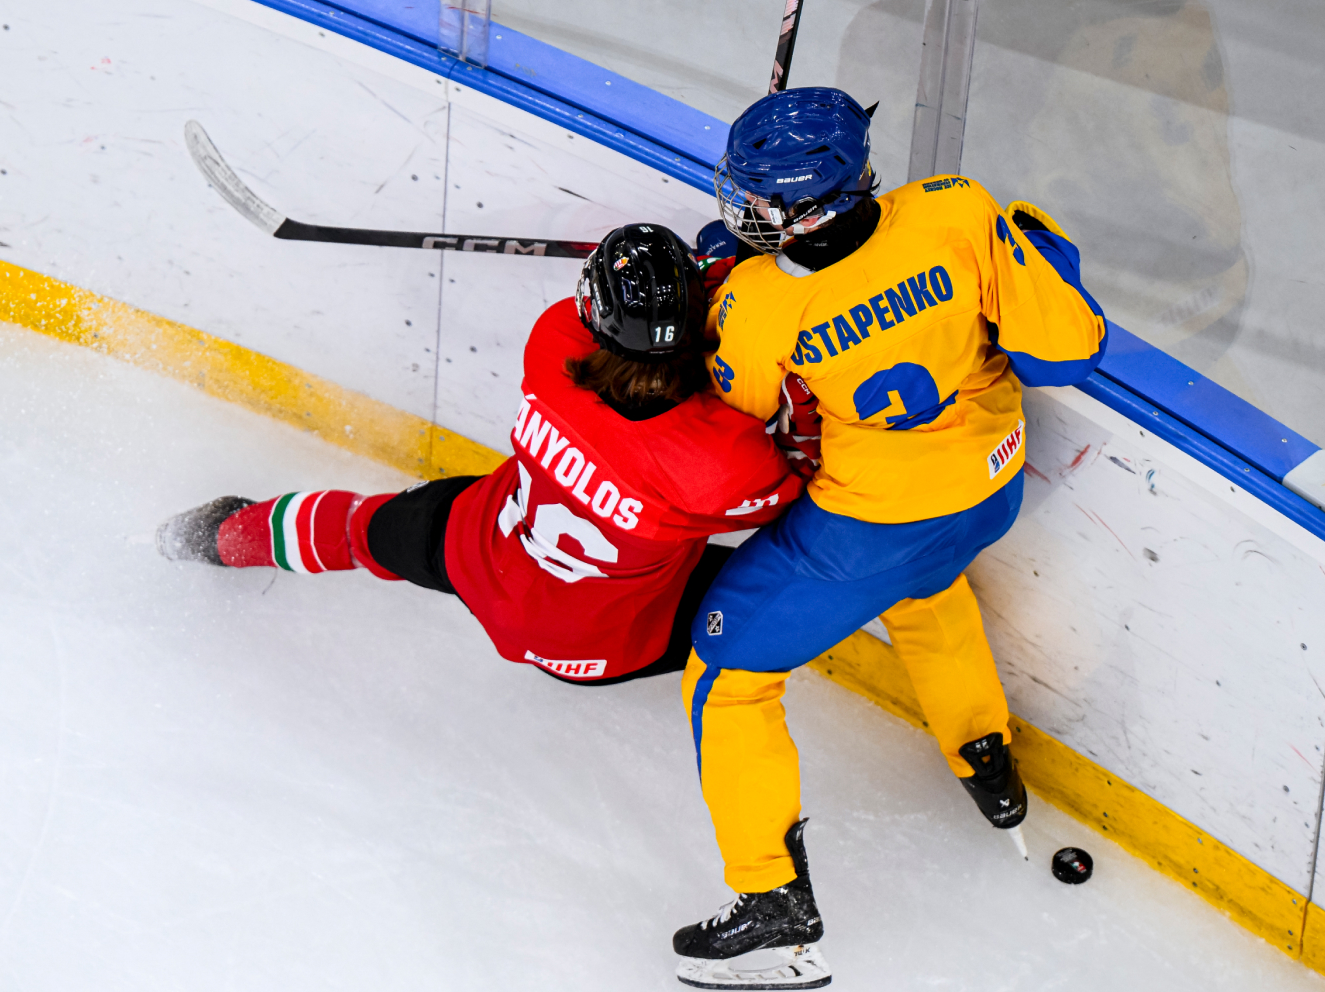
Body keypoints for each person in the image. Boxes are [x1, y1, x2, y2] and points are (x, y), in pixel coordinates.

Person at [668, 88, 1109, 987]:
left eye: (757, 199)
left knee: (724, 679)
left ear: (804, 206)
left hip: (867, 528)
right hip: (990, 492)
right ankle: (985, 757)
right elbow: (1069, 349)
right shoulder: (957, 207)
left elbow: (740, 404)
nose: (743, 209)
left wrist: (724, 283)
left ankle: (772, 901)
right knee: (929, 588)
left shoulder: (759, 302)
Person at [156, 224, 802, 685]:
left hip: (483, 554)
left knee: (359, 532)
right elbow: (799, 481)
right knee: (792, 587)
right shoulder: (720, 460)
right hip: (604, 647)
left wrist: (702, 270)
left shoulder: (553, 346)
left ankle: (219, 536)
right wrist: (732, 272)